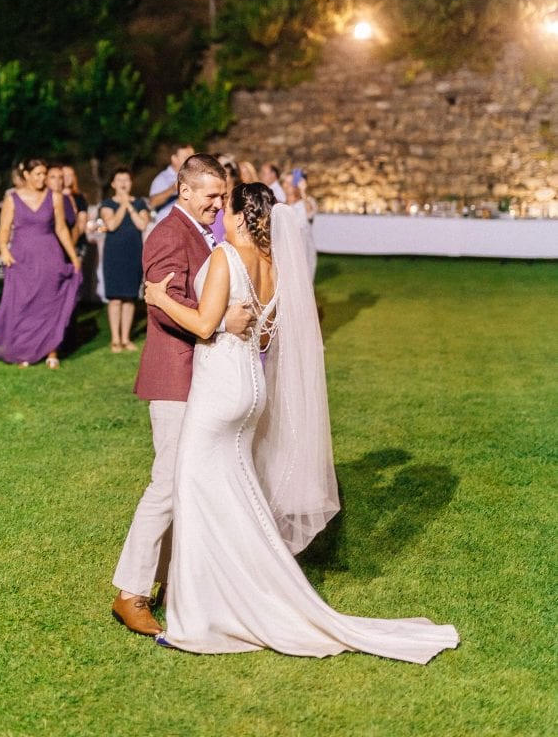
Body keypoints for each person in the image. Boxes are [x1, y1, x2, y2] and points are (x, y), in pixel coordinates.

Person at [143, 183, 459, 662]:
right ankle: (246, 590)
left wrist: (160, 298)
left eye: (227, 210)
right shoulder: (275, 266)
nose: (221, 218)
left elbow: (206, 325)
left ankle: (198, 618)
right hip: (252, 390)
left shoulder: (229, 255)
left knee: (195, 493)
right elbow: (264, 331)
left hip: (219, 392)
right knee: (235, 495)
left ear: (243, 218)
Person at [111, 154, 254, 636]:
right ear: (185, 191)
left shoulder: (207, 232)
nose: (219, 203)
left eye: (222, 194)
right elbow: (164, 305)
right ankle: (130, 594)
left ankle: (176, 581)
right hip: (175, 375)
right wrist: (221, 321)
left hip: (203, 376)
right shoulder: (168, 234)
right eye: (212, 195)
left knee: (189, 484)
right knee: (168, 483)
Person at [0, 158, 81, 369]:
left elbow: (62, 229)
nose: (41, 178)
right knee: (23, 304)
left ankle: (51, 351)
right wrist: (3, 250)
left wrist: (73, 257)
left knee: (48, 303)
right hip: (22, 257)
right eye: (37, 174)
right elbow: (3, 228)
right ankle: (24, 351)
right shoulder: (12, 199)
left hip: (49, 255)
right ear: (26, 175)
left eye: (43, 174)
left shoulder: (54, 197)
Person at [100, 167, 149, 352]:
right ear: (113, 183)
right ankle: (115, 339)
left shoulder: (140, 204)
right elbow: (111, 225)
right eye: (119, 179)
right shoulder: (107, 204)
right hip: (114, 255)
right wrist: (122, 204)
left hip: (133, 253)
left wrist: (130, 205)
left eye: (126, 179)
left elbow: (142, 224)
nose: (123, 183)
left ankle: (126, 337)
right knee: (115, 298)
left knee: (129, 298)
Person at [282, 170, 318, 281]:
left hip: (302, 249)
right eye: (285, 182)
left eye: (291, 182)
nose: (287, 185)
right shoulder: (280, 204)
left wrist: (303, 192)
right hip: (284, 250)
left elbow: (309, 213)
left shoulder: (306, 202)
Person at [147, 144, 194, 223]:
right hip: (167, 227)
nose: (190, 161)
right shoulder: (162, 178)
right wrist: (174, 188)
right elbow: (152, 203)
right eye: (186, 157)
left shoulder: (195, 176)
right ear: (174, 159)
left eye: (192, 157)